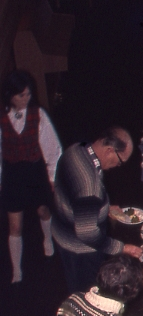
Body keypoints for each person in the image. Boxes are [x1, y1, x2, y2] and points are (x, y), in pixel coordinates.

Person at [52, 125, 142, 294]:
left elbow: (75, 195)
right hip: (80, 251)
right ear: (109, 150)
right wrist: (121, 248)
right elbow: (88, 234)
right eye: (120, 161)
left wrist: (102, 208)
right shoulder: (89, 184)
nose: (118, 166)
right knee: (88, 295)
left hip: (62, 232)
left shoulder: (76, 149)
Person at [0, 70, 62, 283]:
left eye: (28, 94)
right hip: (13, 174)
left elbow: (53, 148)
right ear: (10, 95)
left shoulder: (38, 114)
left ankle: (48, 240)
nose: (26, 99)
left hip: (35, 171)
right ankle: (17, 269)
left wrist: (52, 176)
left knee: (43, 210)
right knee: (15, 225)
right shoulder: (2, 117)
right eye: (21, 95)